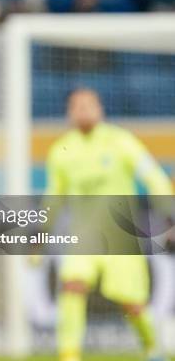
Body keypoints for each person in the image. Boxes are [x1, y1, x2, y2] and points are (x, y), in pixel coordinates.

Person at [46, 87, 172, 361]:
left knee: (133, 304)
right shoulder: (61, 151)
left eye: (89, 105)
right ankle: (69, 355)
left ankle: (152, 346)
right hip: (82, 236)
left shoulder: (120, 141)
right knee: (72, 286)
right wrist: (39, 234)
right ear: (69, 113)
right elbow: (53, 198)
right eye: (77, 106)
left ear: (100, 109)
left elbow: (153, 177)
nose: (83, 110)